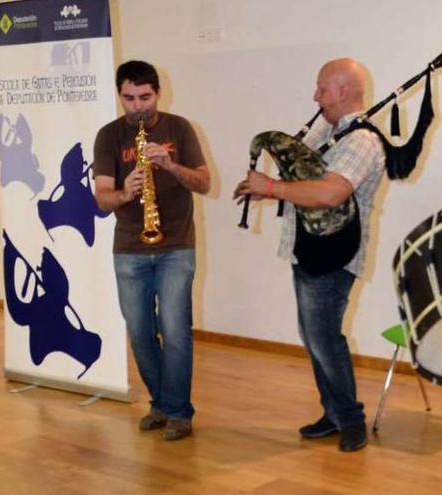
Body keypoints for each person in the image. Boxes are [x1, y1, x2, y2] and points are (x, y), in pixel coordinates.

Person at [233, 58, 385, 453]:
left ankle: (351, 420)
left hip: (336, 254)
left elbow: (330, 192)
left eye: (321, 89)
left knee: (324, 339)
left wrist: (269, 187)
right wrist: (263, 183)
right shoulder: (328, 130)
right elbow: (301, 173)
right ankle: (333, 414)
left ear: (342, 92)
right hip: (309, 249)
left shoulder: (362, 140)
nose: (315, 96)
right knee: (313, 336)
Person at [93, 60, 211, 441]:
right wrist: (127, 190)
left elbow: (205, 183)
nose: (137, 106)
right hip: (129, 248)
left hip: (177, 245)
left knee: (175, 331)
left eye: (144, 97)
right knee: (141, 332)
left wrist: (171, 165)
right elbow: (102, 199)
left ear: (158, 93)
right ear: (120, 96)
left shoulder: (179, 128)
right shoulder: (109, 136)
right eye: (128, 98)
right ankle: (160, 404)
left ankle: (178, 411)